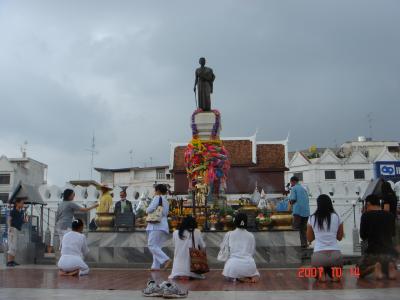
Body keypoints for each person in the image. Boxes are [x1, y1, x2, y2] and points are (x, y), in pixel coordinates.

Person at [358, 194, 397, 280]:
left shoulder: (366, 216)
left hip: (373, 254)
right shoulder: (390, 215)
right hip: (390, 254)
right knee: (386, 261)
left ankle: (375, 267)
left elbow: (363, 236)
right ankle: (390, 267)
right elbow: (393, 234)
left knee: (358, 270)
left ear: (368, 204)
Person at [307, 194, 344, 282]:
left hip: (319, 256)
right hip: (335, 255)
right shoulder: (337, 216)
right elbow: (339, 237)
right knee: (336, 272)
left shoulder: (312, 218)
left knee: (316, 270)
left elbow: (309, 238)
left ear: (318, 204)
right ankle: (335, 275)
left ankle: (321, 273)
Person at [221, 213, 260, 283]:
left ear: (235, 221)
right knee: (253, 269)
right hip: (249, 265)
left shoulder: (229, 234)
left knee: (228, 272)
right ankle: (250, 275)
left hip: (234, 265)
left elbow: (225, 252)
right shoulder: (251, 235)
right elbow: (252, 252)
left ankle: (237, 278)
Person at [169, 215, 206, 280]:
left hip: (177, 270)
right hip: (193, 269)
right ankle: (188, 275)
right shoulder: (197, 231)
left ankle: (180, 275)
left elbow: (174, 244)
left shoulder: (175, 232)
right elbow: (203, 246)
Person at [146, 184, 172, 271]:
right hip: (163, 225)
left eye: (155, 190)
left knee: (151, 245)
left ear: (158, 191)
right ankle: (155, 266)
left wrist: (147, 209)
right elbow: (166, 213)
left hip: (156, 225)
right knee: (157, 246)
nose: (154, 192)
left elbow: (149, 209)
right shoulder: (166, 201)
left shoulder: (157, 198)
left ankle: (166, 259)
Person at [288, 176, 310, 248]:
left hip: (298, 212)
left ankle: (295, 245)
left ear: (293, 181)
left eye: (291, 182)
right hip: (306, 212)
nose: (290, 184)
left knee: (295, 228)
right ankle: (304, 244)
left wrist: (289, 203)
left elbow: (293, 199)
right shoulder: (303, 189)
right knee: (303, 229)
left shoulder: (294, 188)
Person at [7, 198, 27, 267]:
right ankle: (9, 262)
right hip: (13, 229)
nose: (23, 204)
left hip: (17, 229)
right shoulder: (13, 211)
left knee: (15, 246)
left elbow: (21, 221)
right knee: (12, 245)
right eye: (22, 203)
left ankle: (12, 261)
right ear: (17, 203)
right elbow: (9, 219)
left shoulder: (21, 212)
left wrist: (25, 220)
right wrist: (10, 228)